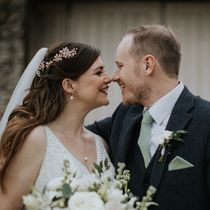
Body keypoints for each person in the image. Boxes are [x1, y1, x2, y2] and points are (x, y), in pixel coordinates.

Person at [87, 24, 210, 210]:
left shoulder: (206, 120)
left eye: (120, 66)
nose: (114, 77)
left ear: (147, 65)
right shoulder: (124, 114)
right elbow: (71, 134)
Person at [0, 41, 114, 210]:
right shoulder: (35, 140)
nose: (108, 78)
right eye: (98, 72)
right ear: (69, 85)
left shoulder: (101, 144)